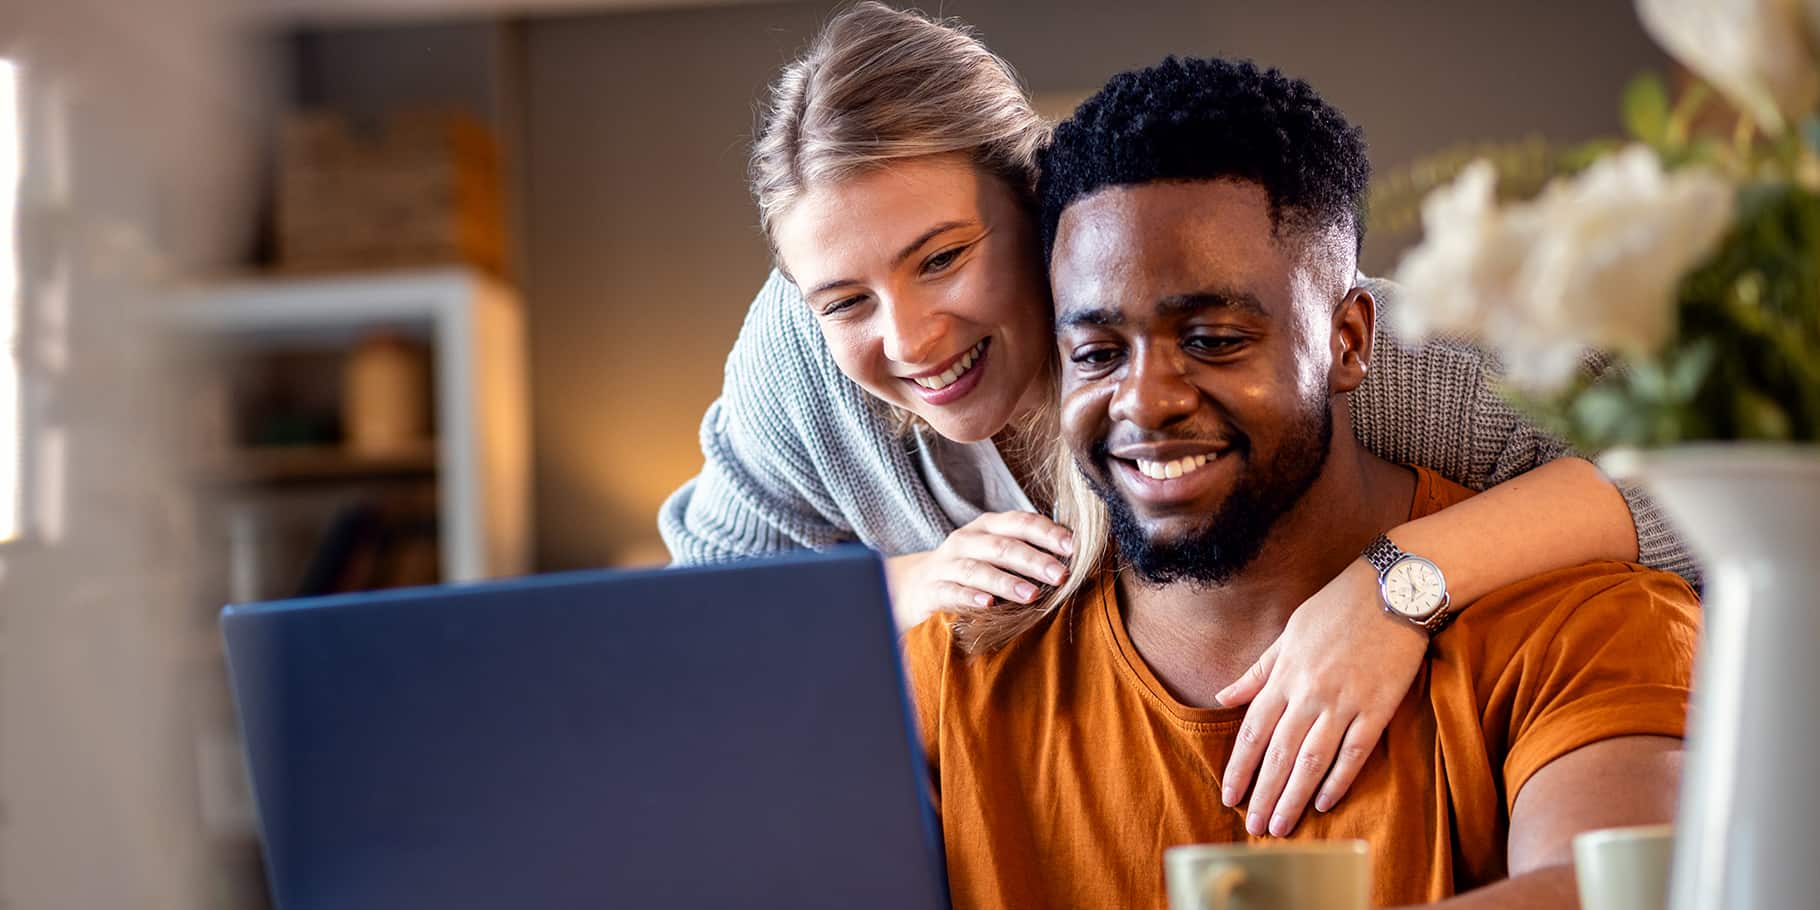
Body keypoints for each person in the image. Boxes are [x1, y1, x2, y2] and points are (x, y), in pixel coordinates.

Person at [660, 2, 1697, 833]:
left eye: (941, 258)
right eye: (842, 298)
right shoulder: (806, 361)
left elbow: (1708, 474)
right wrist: (899, 585)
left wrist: (1393, 586)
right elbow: (693, 626)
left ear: (1045, 215)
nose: (911, 336)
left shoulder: (1321, 354)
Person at [901, 55, 1698, 909]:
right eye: (1097, 353)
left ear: (1349, 340)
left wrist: (1395, 587)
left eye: (1213, 339)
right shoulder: (954, 677)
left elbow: (1610, 892)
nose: (1145, 401)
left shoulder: (1580, 624)